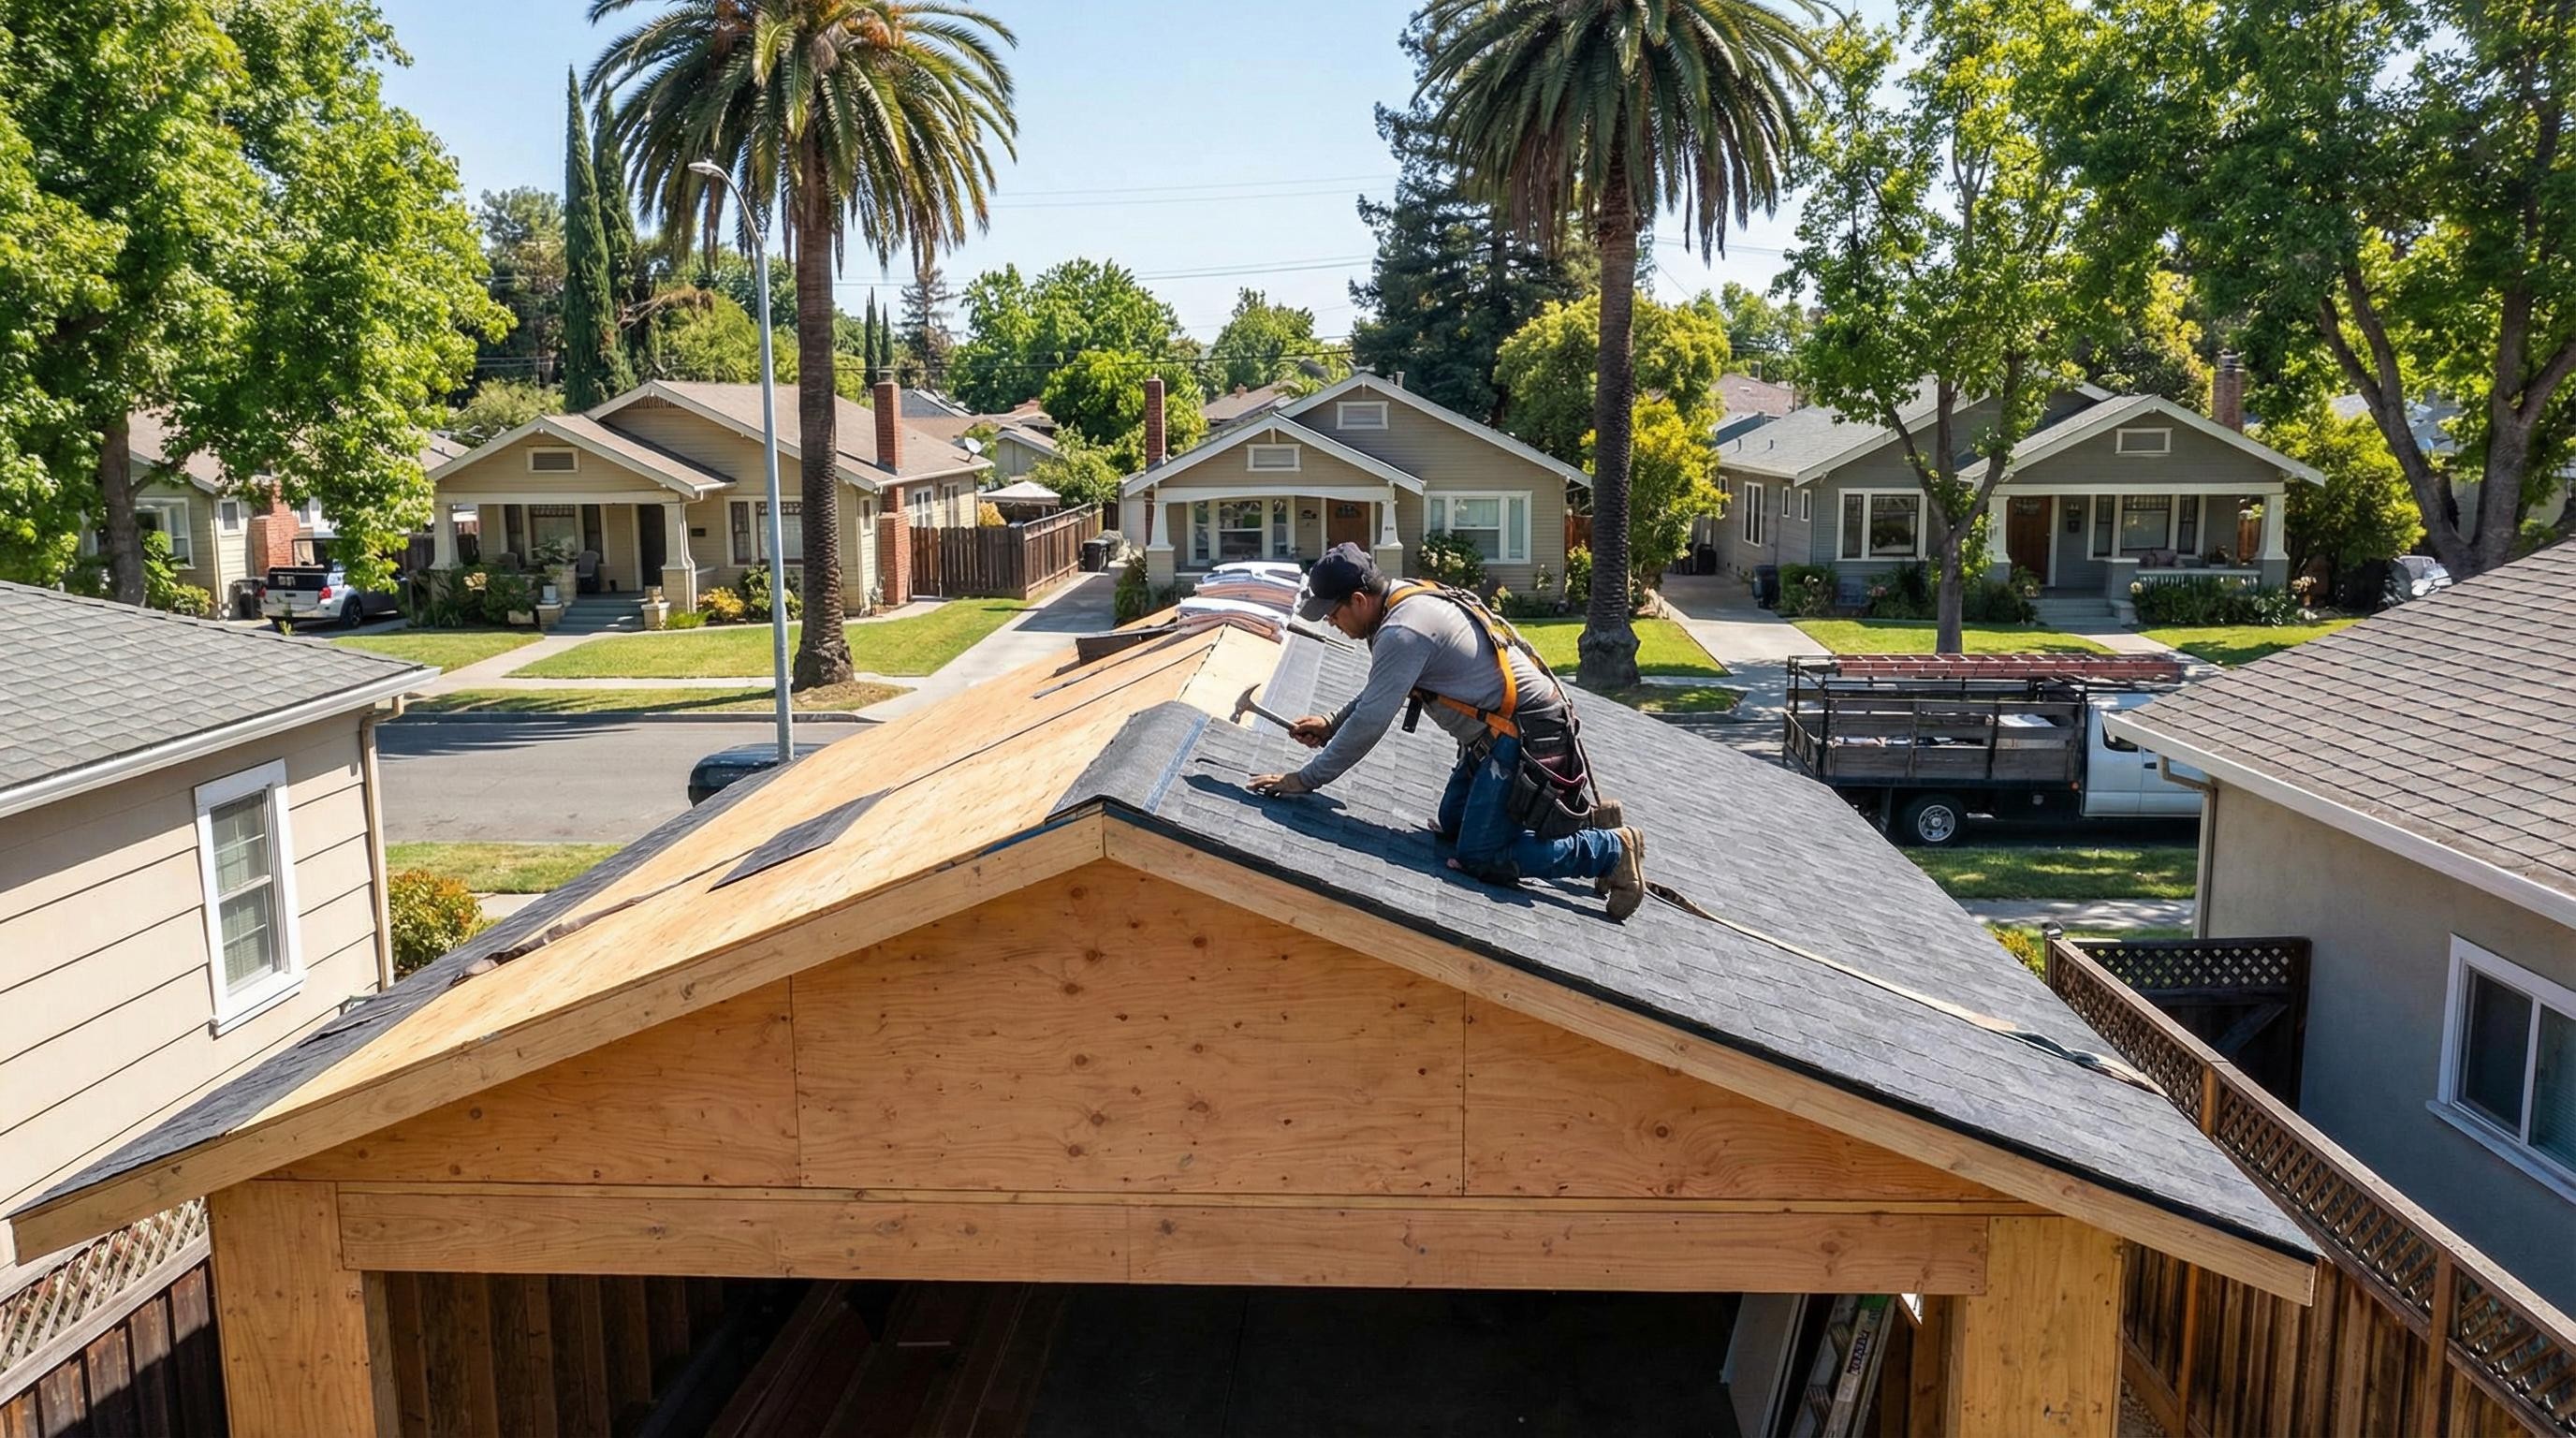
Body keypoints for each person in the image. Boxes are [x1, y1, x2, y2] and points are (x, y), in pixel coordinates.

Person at [1249, 543, 1647, 920]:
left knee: (1481, 856)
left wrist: (1306, 779)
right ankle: (1593, 821)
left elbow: (1371, 722)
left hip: (1521, 733)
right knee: (1452, 824)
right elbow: (1382, 691)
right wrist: (1333, 722)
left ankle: (1610, 849)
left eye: (1332, 614)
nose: (1332, 625)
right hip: (1498, 734)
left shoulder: (1403, 631)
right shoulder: (1403, 598)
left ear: (1357, 600)